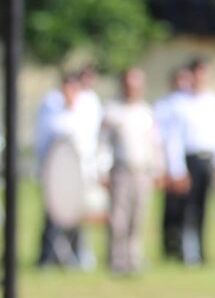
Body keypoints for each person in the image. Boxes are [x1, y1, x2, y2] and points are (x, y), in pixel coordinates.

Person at [169, 58, 215, 265]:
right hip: (190, 160)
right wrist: (177, 169)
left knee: (203, 209)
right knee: (188, 209)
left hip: (207, 160)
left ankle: (201, 251)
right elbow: (175, 139)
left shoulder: (213, 102)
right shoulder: (180, 103)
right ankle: (188, 252)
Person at [100, 67, 163, 275]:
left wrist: (158, 169)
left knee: (138, 218)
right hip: (121, 170)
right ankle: (117, 260)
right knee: (118, 219)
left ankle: (134, 258)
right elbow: (103, 145)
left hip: (142, 171)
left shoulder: (146, 112)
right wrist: (102, 171)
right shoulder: (113, 111)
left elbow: (155, 144)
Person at [34, 72, 89, 267]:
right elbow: (42, 142)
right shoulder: (52, 114)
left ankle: (77, 254)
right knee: (52, 213)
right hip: (56, 172)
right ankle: (47, 255)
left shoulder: (84, 113)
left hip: (78, 172)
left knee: (76, 215)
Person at [154, 65, 193, 260]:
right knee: (170, 212)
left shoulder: (193, 105)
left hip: (190, 163)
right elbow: (162, 140)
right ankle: (170, 249)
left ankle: (188, 250)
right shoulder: (164, 105)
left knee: (189, 211)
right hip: (169, 165)